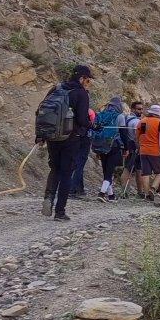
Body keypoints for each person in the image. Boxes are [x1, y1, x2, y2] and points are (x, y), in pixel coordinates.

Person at [41, 65, 94, 221]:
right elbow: (82, 120)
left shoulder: (56, 88)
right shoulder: (81, 93)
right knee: (66, 172)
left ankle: (48, 198)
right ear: (82, 78)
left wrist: (41, 135)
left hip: (52, 136)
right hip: (71, 139)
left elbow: (42, 111)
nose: (88, 83)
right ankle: (60, 212)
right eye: (88, 80)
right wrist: (93, 125)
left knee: (55, 168)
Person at [90, 98, 126, 202]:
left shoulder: (101, 115)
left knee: (106, 170)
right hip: (114, 145)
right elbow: (123, 133)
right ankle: (101, 193)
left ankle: (111, 195)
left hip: (101, 145)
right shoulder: (120, 116)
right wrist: (126, 148)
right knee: (109, 171)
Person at [136, 105, 160, 200]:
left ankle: (147, 195)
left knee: (146, 173)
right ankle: (153, 188)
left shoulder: (143, 121)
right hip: (155, 150)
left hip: (143, 150)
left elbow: (140, 135)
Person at [117, 101, 144, 195]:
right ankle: (138, 192)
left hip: (129, 145)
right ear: (132, 109)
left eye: (141, 109)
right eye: (138, 109)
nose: (141, 111)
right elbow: (142, 135)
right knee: (134, 169)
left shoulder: (126, 118)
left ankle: (125, 191)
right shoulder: (138, 121)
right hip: (136, 147)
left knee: (130, 168)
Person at [68, 108, 96, 198]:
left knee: (75, 163)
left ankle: (80, 189)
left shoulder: (70, 109)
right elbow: (92, 124)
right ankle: (72, 190)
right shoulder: (89, 112)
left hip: (71, 138)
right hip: (84, 138)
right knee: (80, 164)